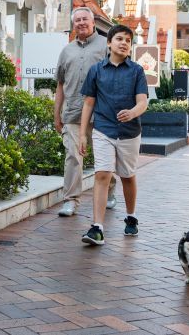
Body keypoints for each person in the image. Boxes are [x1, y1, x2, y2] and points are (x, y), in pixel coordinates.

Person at [78, 24, 148, 245]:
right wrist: (82, 134)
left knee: (127, 175)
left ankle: (131, 216)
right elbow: (88, 103)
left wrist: (133, 113)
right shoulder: (96, 70)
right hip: (103, 130)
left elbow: (143, 101)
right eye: (119, 39)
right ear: (109, 43)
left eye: (128, 40)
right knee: (102, 175)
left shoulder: (136, 71)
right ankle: (97, 227)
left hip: (129, 133)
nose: (124, 43)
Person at [54, 7, 116, 217]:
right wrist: (56, 114)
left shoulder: (105, 46)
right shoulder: (66, 51)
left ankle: (109, 189)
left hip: (100, 113)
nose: (81, 22)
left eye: (85, 19)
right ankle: (71, 200)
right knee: (73, 156)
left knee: (103, 157)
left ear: (92, 22)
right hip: (72, 112)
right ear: (74, 25)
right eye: (77, 20)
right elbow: (60, 85)